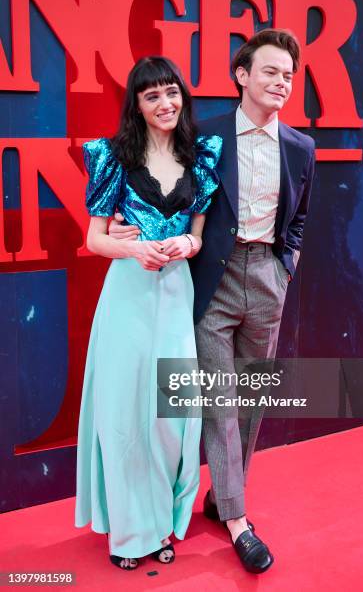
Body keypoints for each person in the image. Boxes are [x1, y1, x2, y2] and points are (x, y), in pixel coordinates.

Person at [109, 29, 315, 574]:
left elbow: (297, 219)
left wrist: (285, 266)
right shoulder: (206, 138)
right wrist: (131, 231)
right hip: (212, 283)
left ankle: (223, 495)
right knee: (220, 401)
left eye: (289, 75)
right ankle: (240, 521)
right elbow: (159, 175)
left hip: (268, 278)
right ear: (242, 75)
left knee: (252, 400)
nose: (281, 83)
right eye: (269, 71)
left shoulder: (301, 147)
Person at [75, 56, 222, 570]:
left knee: (170, 416)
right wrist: (134, 251)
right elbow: (93, 238)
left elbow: (200, 236)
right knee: (122, 415)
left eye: (172, 92)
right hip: (127, 298)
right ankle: (130, 533)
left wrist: (184, 241)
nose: (166, 103)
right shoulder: (112, 156)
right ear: (136, 105)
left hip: (176, 296)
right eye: (152, 95)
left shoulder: (202, 155)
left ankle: (163, 523)